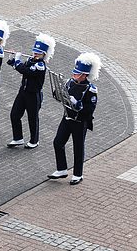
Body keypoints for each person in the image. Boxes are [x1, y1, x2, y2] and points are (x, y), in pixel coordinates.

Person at [48, 53, 100, 185]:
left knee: (78, 147)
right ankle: (61, 169)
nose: (74, 75)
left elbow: (90, 109)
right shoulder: (69, 83)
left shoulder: (91, 90)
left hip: (80, 122)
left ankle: (78, 174)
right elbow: (60, 95)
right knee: (58, 142)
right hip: (67, 117)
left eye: (77, 74)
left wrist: (78, 104)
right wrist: (58, 92)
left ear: (85, 75)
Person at [7, 33, 54, 149]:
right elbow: (23, 67)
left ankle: (34, 140)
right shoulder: (31, 60)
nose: (35, 54)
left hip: (33, 95)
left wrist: (17, 62)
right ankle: (18, 138)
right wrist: (13, 60)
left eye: (38, 53)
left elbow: (26, 71)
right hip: (23, 92)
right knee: (14, 114)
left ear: (44, 54)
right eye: (34, 52)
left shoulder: (40, 66)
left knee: (32, 119)